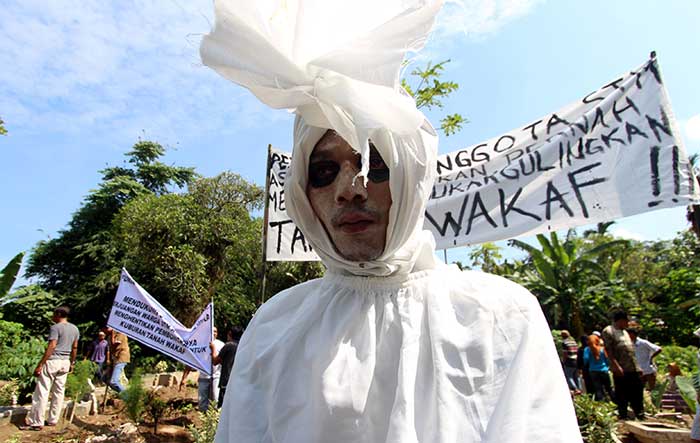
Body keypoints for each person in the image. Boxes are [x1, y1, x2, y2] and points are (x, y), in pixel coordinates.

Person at [202, 1, 581, 441]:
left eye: (374, 163)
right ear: (302, 193)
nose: (351, 188)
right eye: (324, 171)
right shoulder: (274, 327)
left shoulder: (498, 316)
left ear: (411, 172)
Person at [21, 306, 80, 430]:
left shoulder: (55, 328)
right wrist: (72, 362)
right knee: (59, 391)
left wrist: (41, 364)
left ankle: (36, 422)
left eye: (54, 314)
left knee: (42, 391)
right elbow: (75, 347)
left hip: (53, 361)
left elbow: (52, 345)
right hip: (65, 362)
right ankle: (53, 419)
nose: (52, 316)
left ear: (58, 314)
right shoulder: (75, 329)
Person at [602, 310, 644, 420]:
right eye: (626, 321)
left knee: (637, 391)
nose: (627, 324)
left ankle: (639, 414)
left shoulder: (625, 332)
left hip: (632, 367)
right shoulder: (609, 331)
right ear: (620, 321)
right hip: (621, 368)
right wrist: (616, 366)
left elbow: (631, 350)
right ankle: (623, 415)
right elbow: (608, 350)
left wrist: (638, 367)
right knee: (622, 393)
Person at [180, 327, 225, 412]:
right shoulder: (200, 344)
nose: (214, 333)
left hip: (216, 376)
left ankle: (216, 421)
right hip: (203, 377)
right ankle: (203, 421)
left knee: (216, 400)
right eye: (212, 331)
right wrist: (184, 378)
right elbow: (191, 361)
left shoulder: (221, 345)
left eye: (215, 331)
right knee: (202, 402)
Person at [211, 326, 242, 409]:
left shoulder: (228, 346)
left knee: (222, 408)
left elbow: (215, 361)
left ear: (230, 334)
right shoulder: (242, 346)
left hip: (226, 381)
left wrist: (213, 348)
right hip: (238, 382)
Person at [627, 325, 662, 390]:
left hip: (648, 369)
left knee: (652, 389)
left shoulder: (643, 342)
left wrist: (651, 358)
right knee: (639, 388)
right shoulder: (629, 344)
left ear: (632, 334)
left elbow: (658, 349)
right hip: (639, 370)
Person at [583, 334, 614, 401]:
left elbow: (585, 360)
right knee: (609, 388)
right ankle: (614, 401)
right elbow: (607, 359)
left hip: (593, 371)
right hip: (604, 370)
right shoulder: (602, 349)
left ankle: (601, 402)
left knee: (598, 388)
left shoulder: (587, 350)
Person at [107, 328, 130, 393]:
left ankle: (128, 397)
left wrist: (112, 334)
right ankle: (122, 394)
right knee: (105, 379)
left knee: (114, 381)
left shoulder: (120, 332)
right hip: (115, 358)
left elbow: (115, 345)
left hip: (121, 357)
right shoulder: (110, 336)